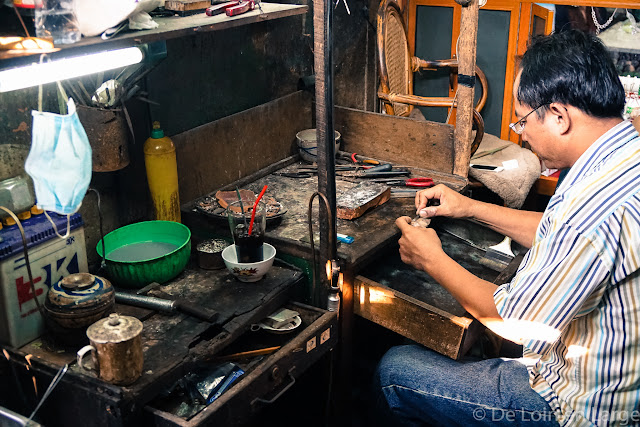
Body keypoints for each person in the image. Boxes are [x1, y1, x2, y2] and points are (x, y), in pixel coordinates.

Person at [374, 30, 640, 426]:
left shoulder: (593, 205)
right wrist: (469, 207)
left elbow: (514, 323)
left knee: (395, 371)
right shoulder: (623, 156)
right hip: (610, 380)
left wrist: (431, 259)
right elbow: (555, 231)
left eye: (522, 121)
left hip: (579, 410)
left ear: (560, 116)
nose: (523, 133)